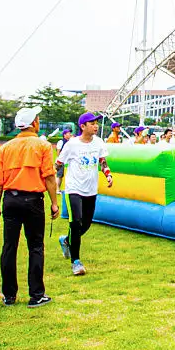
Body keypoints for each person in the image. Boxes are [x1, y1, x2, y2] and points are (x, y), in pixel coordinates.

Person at [0, 105, 59, 307]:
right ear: (34, 123)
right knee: (36, 246)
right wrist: (54, 203)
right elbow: (49, 177)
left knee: (9, 246)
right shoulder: (43, 146)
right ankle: (36, 294)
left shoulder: (6, 148)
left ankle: (9, 295)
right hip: (33, 201)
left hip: (10, 200)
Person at [57, 112, 113, 276]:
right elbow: (59, 163)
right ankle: (76, 262)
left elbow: (103, 162)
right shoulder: (72, 144)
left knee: (86, 224)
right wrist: (50, 179)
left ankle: (66, 241)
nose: (96, 126)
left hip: (90, 189)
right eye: (92, 123)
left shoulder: (99, 143)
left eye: (96, 123)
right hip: (74, 188)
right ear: (83, 126)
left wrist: (108, 174)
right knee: (76, 222)